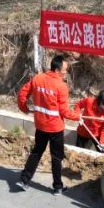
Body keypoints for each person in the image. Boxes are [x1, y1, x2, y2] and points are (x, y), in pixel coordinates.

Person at [15, 55, 80, 194]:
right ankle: (57, 187)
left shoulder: (38, 79)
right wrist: (77, 117)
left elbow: (22, 94)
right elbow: (64, 111)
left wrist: (24, 108)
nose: (65, 73)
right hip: (55, 128)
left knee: (36, 152)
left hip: (40, 125)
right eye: (64, 70)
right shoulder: (61, 86)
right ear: (57, 70)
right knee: (56, 157)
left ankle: (24, 180)